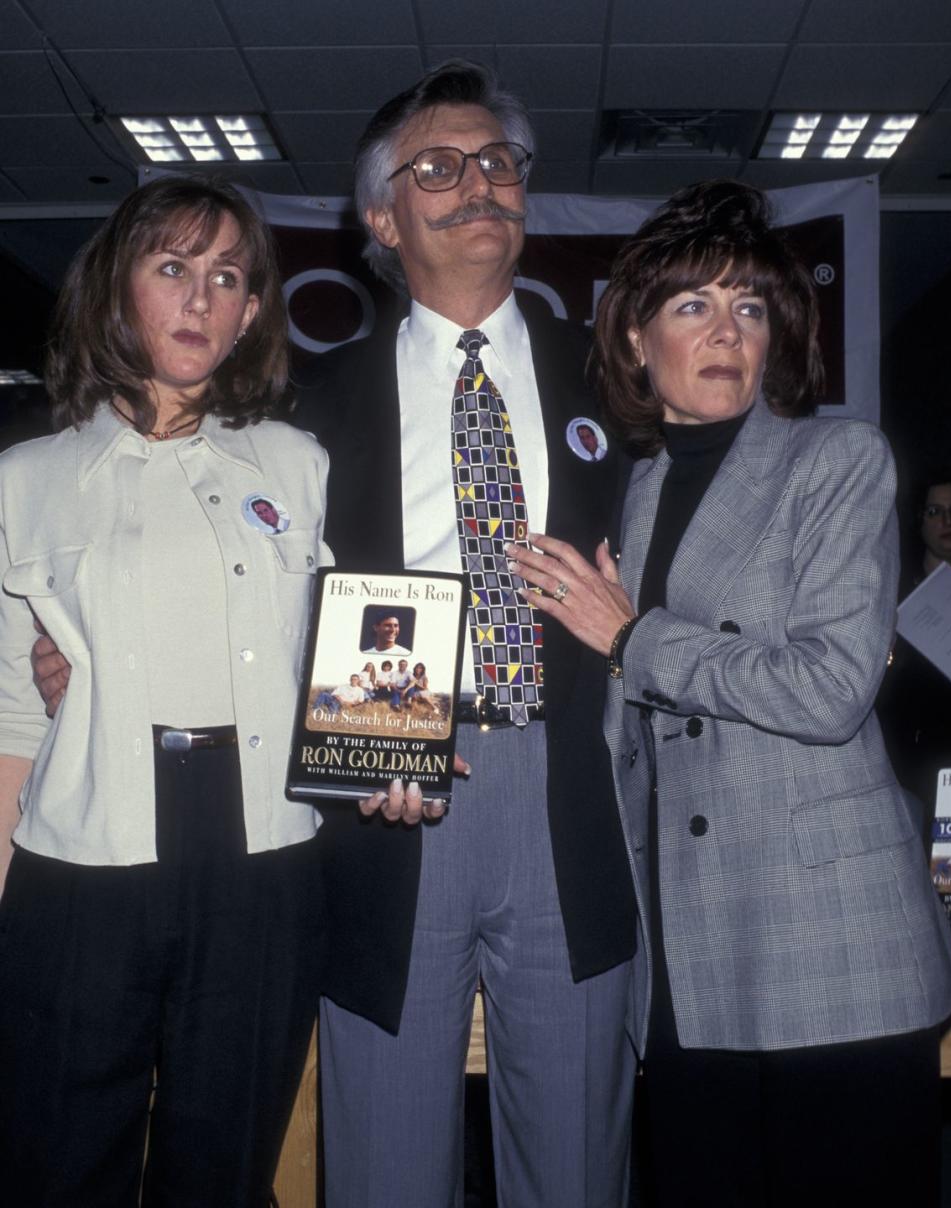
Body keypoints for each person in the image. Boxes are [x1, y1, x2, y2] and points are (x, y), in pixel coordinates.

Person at [507, 179, 951, 1207]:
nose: (727, 331)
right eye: (692, 305)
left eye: (749, 306)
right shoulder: (622, 488)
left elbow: (833, 685)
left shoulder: (834, 459)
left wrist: (633, 634)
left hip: (830, 948)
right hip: (680, 958)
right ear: (632, 338)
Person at [294, 60, 638, 1208]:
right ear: (385, 218)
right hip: (390, 790)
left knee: (578, 1160)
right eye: (436, 167)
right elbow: (269, 597)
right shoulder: (304, 404)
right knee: (386, 1159)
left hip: (572, 791)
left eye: (496, 161)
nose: (476, 183)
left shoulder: (621, 384)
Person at [1, 175, 333, 1206]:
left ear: (248, 317)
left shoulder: (299, 463)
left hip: (262, 858)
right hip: (85, 852)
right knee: (61, 1160)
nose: (200, 297)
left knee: (225, 1167)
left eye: (227, 276)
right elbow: (12, 709)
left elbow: (352, 660)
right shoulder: (25, 478)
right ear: (116, 292)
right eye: (173, 267)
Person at [879, 468, 951, 850]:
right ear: (919, 521)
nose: (948, 521)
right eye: (935, 512)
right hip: (918, 766)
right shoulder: (895, 594)